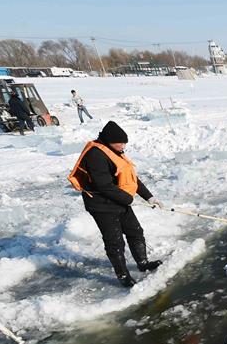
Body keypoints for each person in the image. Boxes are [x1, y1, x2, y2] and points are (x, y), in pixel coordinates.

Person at [67, 121, 165, 287]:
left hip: (119, 200)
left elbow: (130, 178)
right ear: (109, 140)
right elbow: (103, 186)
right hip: (101, 205)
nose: (123, 145)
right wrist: (128, 199)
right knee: (115, 241)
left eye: (124, 142)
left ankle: (142, 263)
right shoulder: (95, 155)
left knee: (135, 231)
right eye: (120, 142)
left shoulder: (114, 151)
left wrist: (149, 197)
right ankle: (123, 276)